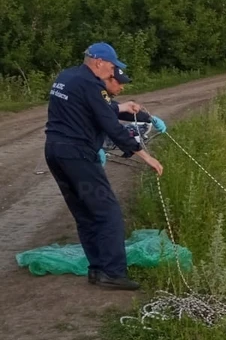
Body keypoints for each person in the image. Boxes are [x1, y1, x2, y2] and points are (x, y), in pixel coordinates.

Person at [44, 42, 164, 290]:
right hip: (77, 155)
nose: (112, 73)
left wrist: (121, 107)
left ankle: (97, 269)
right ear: (98, 61)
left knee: (85, 214)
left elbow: (90, 108)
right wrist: (146, 156)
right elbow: (111, 126)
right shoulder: (91, 83)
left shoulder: (67, 77)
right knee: (108, 214)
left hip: (55, 152)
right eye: (112, 66)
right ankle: (113, 273)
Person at [96, 66, 167, 166]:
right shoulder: (93, 95)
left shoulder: (100, 94)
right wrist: (146, 157)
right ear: (108, 79)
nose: (122, 87)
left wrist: (149, 118)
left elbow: (117, 109)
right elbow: (116, 131)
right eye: (119, 83)